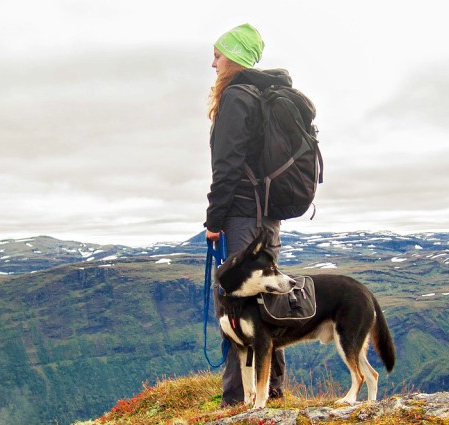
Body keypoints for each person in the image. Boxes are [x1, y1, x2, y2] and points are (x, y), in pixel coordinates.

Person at [205, 23, 292, 406]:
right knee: (266, 300)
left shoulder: (237, 97)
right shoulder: (263, 96)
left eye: (218, 55)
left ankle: (236, 400)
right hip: (267, 215)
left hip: (242, 214)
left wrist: (213, 219)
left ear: (235, 58)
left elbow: (227, 166)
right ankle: (270, 391)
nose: (213, 63)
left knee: (237, 304)